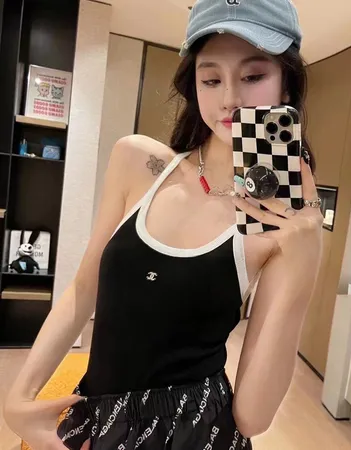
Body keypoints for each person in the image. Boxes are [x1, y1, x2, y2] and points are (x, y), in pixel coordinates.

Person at [3, 0, 323, 448]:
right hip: (97, 416)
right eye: (211, 79)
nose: (229, 99)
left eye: (253, 76)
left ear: (286, 86)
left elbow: (252, 418)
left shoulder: (280, 225)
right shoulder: (137, 161)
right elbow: (82, 289)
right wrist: (17, 399)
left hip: (198, 432)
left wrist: (306, 261)